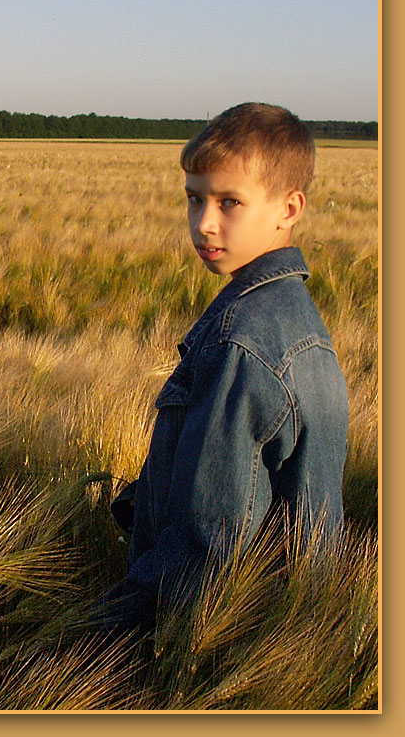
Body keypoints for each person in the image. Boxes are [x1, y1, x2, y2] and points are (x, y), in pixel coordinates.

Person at [99, 102, 349, 637]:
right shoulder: (292, 315)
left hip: (223, 631)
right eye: (194, 199)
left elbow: (206, 546)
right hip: (288, 623)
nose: (203, 222)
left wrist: (95, 643)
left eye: (229, 202)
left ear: (289, 207)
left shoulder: (244, 342)